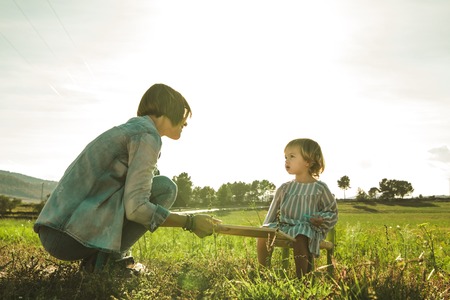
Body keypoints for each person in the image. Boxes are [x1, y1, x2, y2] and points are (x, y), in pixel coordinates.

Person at [34, 83, 220, 275]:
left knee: (157, 185)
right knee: (165, 188)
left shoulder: (132, 130)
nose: (185, 123)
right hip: (68, 236)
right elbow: (137, 208)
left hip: (56, 231)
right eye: (183, 116)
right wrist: (190, 222)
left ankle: (98, 261)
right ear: (168, 109)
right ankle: (108, 264)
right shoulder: (147, 136)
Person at [257, 138, 338, 278]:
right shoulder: (285, 188)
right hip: (285, 226)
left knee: (300, 235)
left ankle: (302, 278)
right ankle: (262, 272)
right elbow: (272, 212)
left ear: (308, 161)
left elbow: (331, 211)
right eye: (285, 157)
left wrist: (321, 218)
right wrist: (266, 227)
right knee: (264, 232)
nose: (286, 161)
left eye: (292, 156)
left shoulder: (320, 188)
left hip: (308, 228)